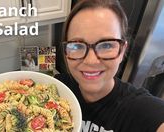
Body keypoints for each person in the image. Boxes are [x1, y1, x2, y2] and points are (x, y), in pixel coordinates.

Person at [54, 0, 164, 131]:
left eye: (106, 45)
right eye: (77, 45)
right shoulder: (54, 90)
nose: (91, 61)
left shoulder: (140, 110)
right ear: (66, 52)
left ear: (122, 50)